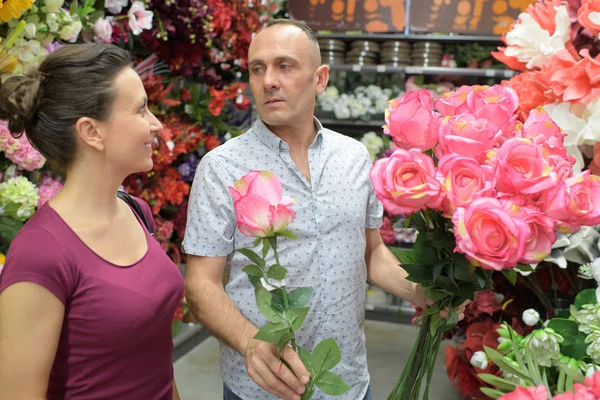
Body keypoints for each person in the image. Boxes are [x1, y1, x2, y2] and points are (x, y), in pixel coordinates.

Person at [183, 20, 466, 400]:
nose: (268, 81)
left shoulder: (353, 157)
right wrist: (250, 343)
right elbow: (201, 283)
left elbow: (370, 252)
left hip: (348, 382)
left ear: (320, 79)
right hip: (264, 389)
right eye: (257, 68)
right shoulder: (222, 168)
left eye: (285, 66)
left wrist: (422, 292)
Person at [0, 43, 183, 400]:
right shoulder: (41, 255)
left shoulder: (135, 211)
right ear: (91, 132)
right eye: (141, 109)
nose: (156, 124)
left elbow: (152, 358)